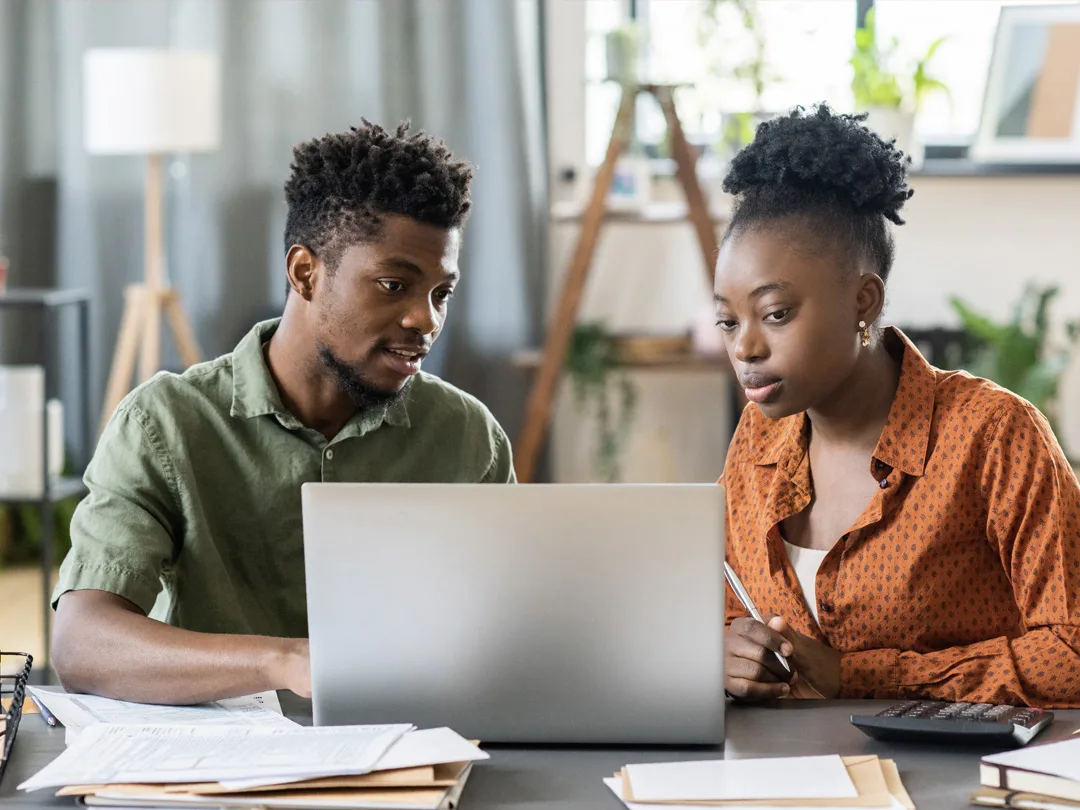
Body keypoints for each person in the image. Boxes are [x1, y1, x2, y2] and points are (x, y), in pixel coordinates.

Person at [51, 121, 515, 704]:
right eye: (395, 285)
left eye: (440, 293)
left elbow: (512, 629)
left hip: (414, 752)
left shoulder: (469, 435)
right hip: (224, 773)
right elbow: (82, 644)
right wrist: (285, 660)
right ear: (305, 273)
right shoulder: (164, 423)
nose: (426, 320)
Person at [717, 104, 1080, 708]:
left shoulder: (993, 435)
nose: (745, 347)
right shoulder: (757, 438)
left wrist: (859, 675)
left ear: (864, 300)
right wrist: (730, 651)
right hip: (785, 779)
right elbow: (733, 608)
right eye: (728, 321)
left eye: (776, 313)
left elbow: (1072, 651)